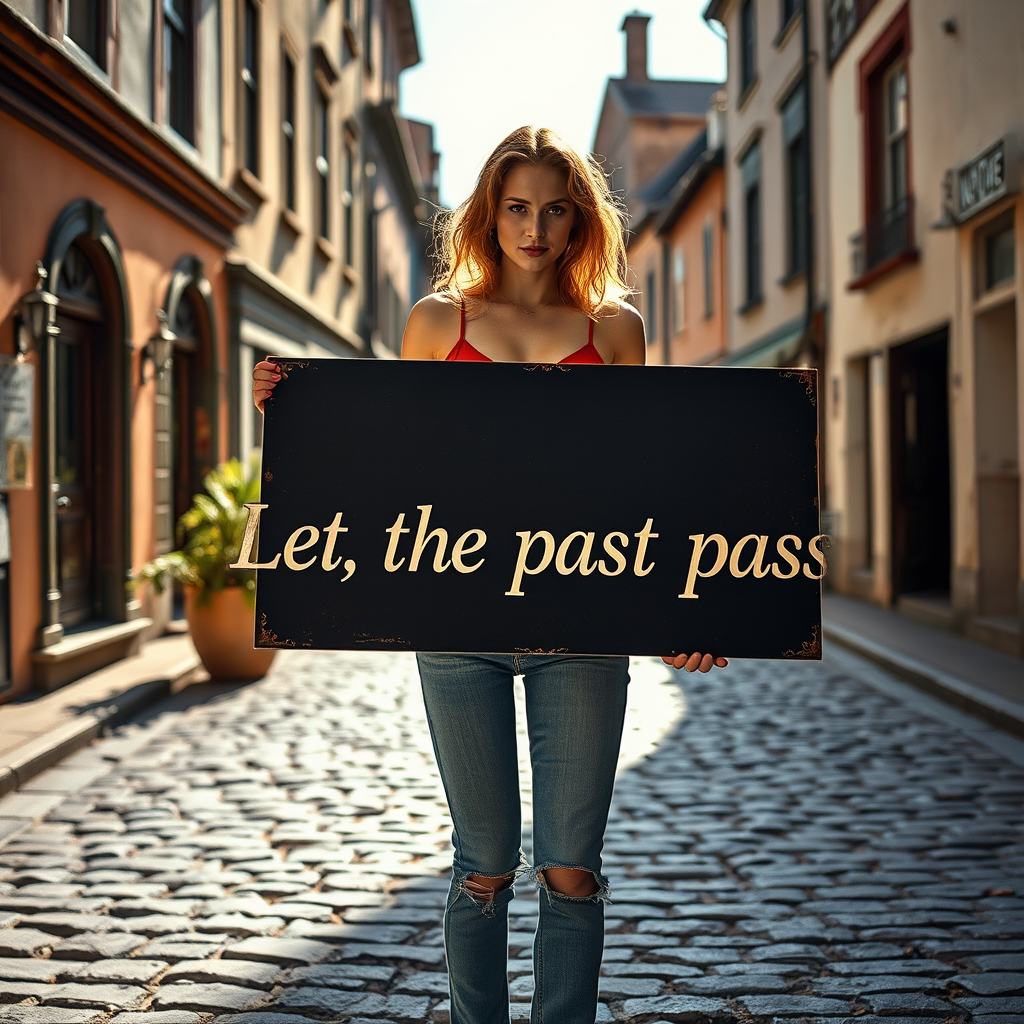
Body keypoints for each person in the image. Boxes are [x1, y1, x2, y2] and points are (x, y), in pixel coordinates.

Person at [252, 126, 727, 1024]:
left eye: (554, 208)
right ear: (490, 214)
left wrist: (687, 612)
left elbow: (647, 481)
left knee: (571, 868)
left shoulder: (613, 329)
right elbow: (392, 462)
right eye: (516, 208)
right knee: (482, 863)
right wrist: (301, 411)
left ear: (580, 218)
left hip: (582, 631)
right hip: (459, 629)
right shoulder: (440, 320)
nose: (534, 227)